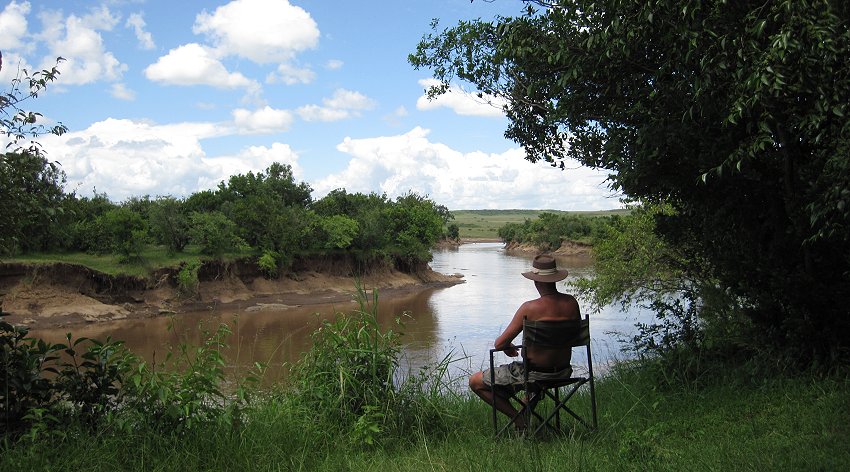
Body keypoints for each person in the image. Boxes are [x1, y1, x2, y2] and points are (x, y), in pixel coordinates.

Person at [468, 254, 581, 430]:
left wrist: (508, 347)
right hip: (563, 372)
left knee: (475, 381)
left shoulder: (529, 308)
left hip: (533, 375)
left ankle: (519, 420)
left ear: (536, 281)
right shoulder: (571, 303)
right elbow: (571, 337)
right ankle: (525, 409)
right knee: (530, 375)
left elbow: (499, 344)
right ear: (555, 279)